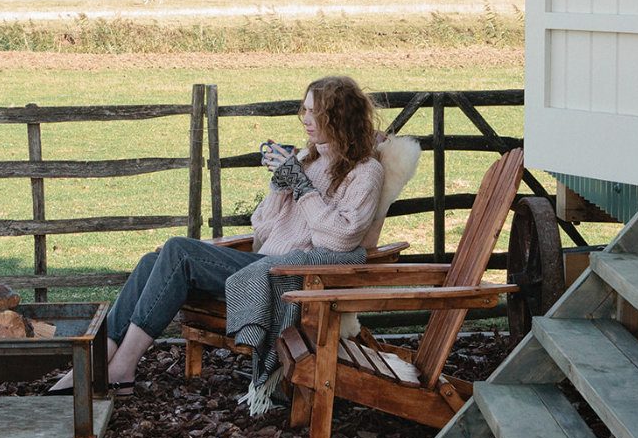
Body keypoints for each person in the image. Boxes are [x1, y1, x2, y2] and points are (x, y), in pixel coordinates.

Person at [48, 75, 385, 400]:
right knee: (153, 260)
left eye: (315, 112)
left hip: (287, 277)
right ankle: (95, 362)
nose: (305, 120)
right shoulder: (307, 161)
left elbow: (341, 239)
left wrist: (300, 186)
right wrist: (280, 186)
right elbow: (263, 229)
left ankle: (122, 367)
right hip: (262, 264)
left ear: (338, 117)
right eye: (304, 111)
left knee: (179, 250)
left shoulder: (365, 171)